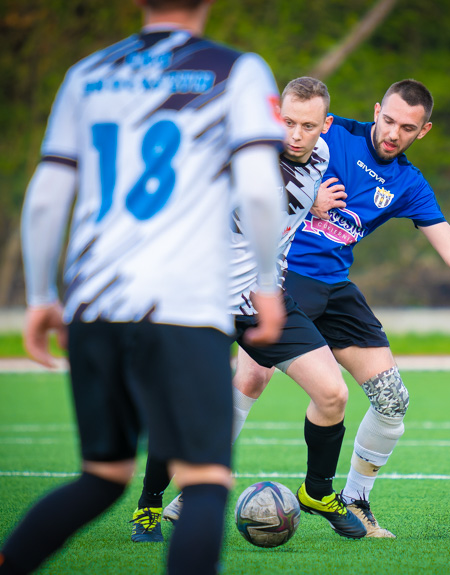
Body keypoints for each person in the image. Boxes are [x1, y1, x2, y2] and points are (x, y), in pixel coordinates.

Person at [0, 1, 287, 573]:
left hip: (96, 307)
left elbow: (47, 193)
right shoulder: (235, 70)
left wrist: (41, 296)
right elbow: (262, 190)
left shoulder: (86, 75)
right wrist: (267, 283)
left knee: (101, 478)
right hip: (184, 308)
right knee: (205, 479)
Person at [186, 78, 450, 538]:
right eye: (388, 120)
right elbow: (260, 155)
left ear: (423, 131)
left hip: (335, 287)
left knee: (393, 400)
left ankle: (354, 498)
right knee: (252, 376)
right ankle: (190, 494)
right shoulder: (332, 134)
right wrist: (303, 195)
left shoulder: (409, 183)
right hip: (281, 276)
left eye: (407, 128)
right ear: (376, 111)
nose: (393, 133)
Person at [130, 77, 366, 543]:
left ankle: (317, 491)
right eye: (288, 122)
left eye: (308, 126)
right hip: (207, 302)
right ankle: (149, 506)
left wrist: (315, 200)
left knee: (333, 394)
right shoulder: (244, 157)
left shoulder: (320, 158)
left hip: (267, 301)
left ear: (326, 126)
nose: (295, 135)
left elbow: (368, 137)